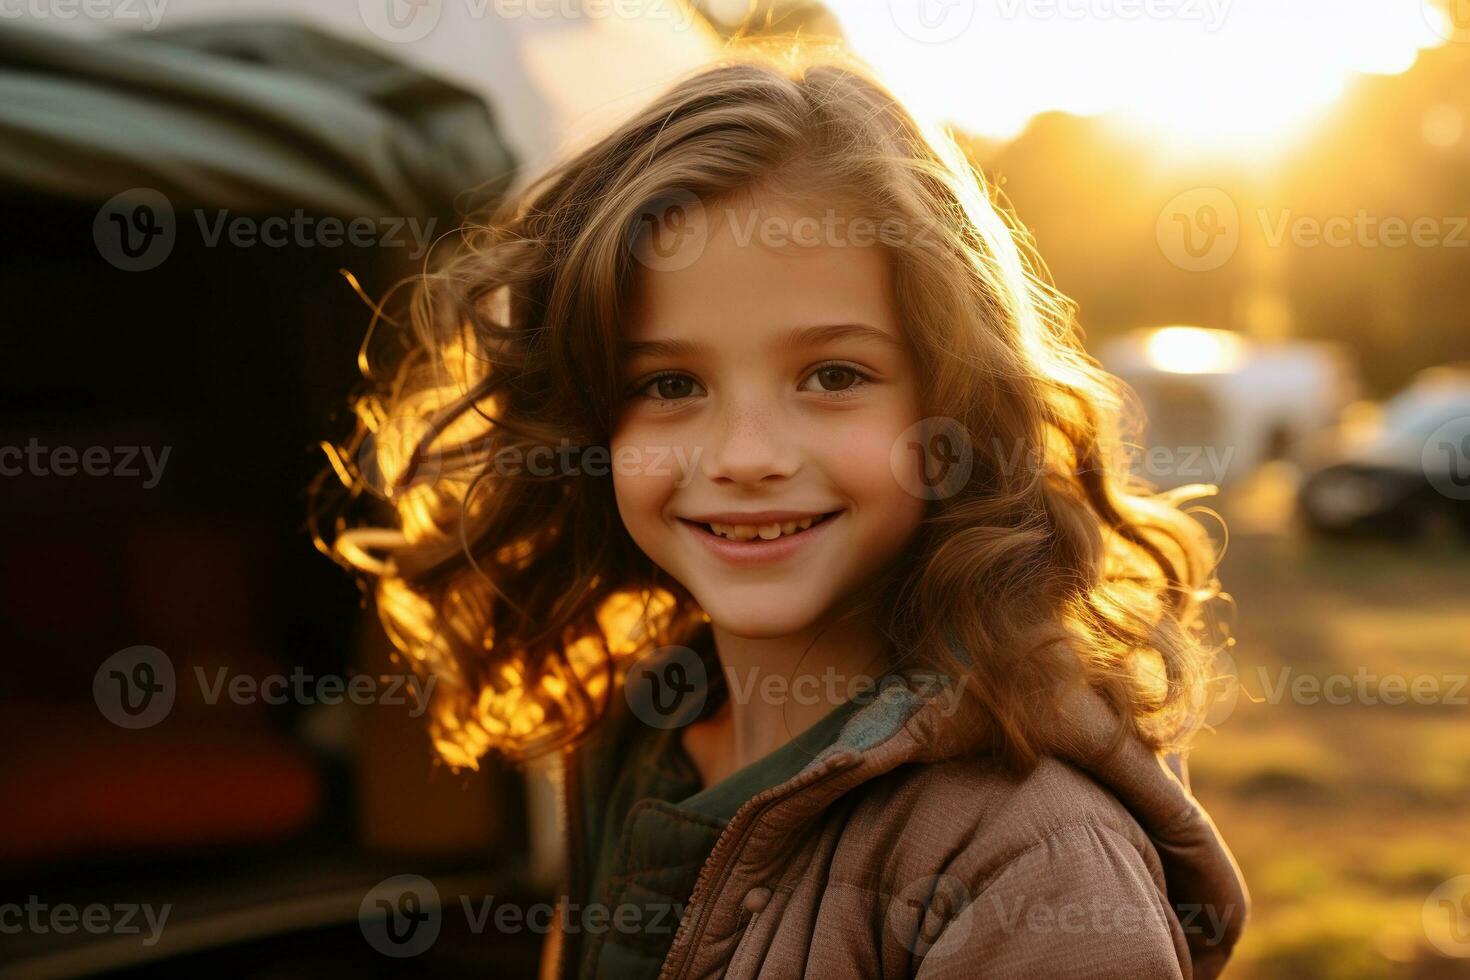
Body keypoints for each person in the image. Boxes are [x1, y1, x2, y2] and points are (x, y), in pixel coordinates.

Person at [322, 50, 1248, 980]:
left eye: (833, 376)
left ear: (952, 410)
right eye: (670, 383)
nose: (745, 455)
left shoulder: (1032, 864)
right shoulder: (635, 734)